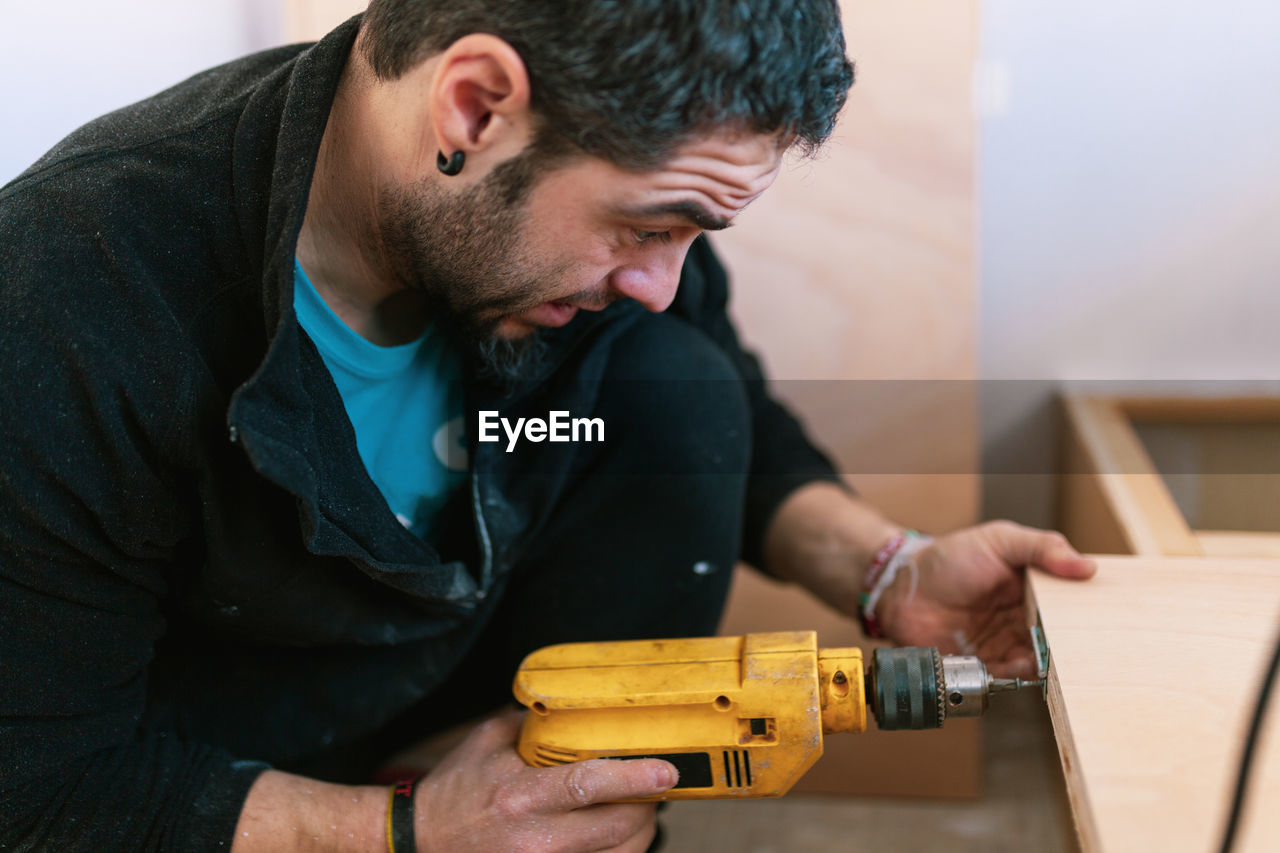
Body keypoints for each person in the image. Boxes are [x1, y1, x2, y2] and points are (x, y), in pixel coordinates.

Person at [0, 1, 1095, 850]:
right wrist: (402, 830)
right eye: (648, 225)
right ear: (473, 105)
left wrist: (887, 570)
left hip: (462, 699)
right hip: (219, 769)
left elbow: (721, 408)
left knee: (673, 383)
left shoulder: (568, 219)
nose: (665, 279)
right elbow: (41, 786)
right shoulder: (72, 304)